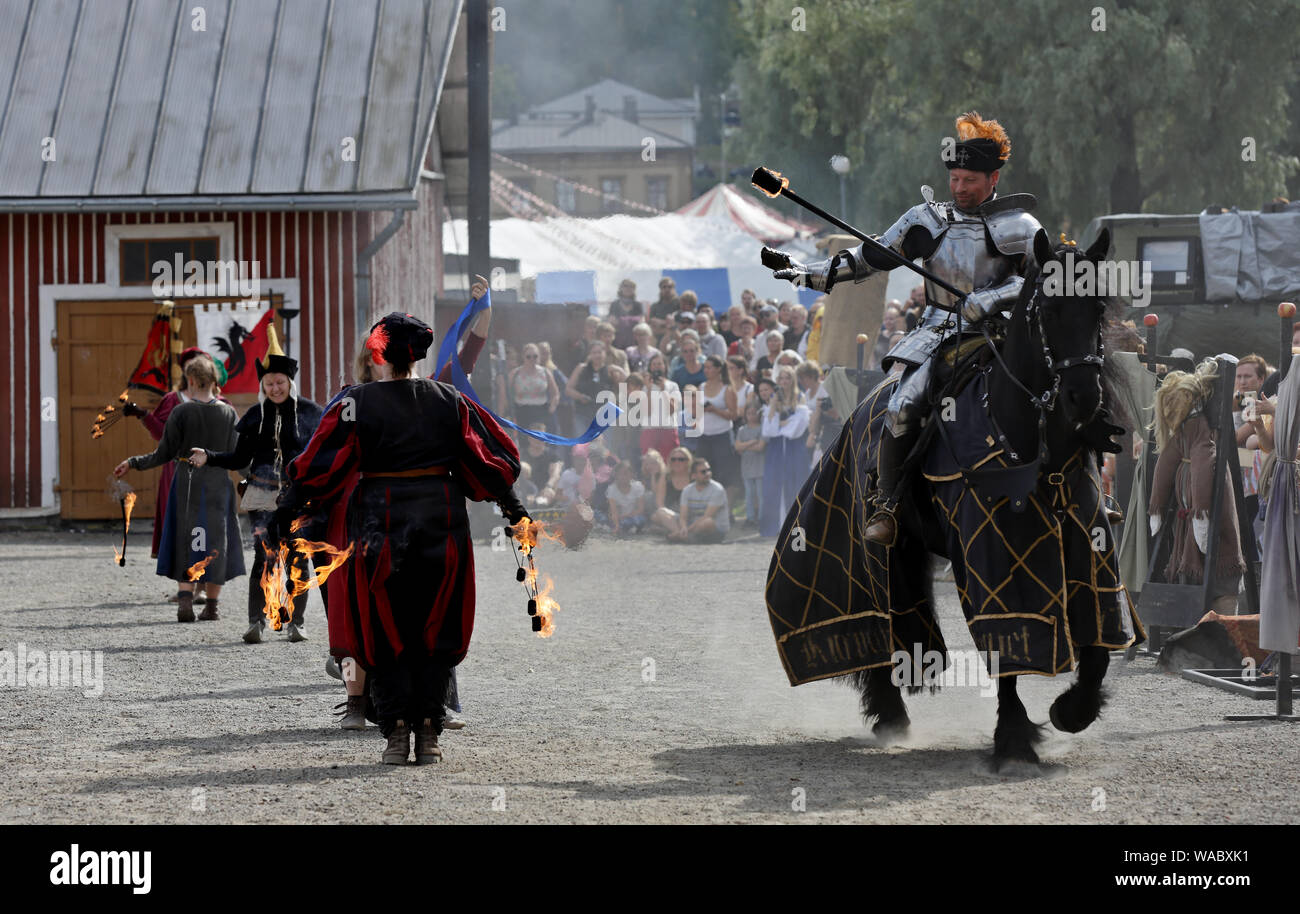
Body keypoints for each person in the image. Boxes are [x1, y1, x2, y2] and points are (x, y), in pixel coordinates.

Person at [765, 110, 1053, 545]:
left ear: (993, 179)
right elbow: (867, 259)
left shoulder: (1021, 227)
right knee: (902, 406)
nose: (959, 188)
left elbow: (1047, 279)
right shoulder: (926, 220)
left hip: (1005, 333)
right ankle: (888, 501)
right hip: (940, 334)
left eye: (970, 180)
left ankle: (1078, 490)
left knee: (1060, 390)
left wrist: (993, 297)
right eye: (954, 178)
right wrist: (802, 271)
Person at [274, 311, 524, 765]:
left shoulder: (356, 402)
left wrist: (288, 507)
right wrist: (513, 507)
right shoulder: (447, 398)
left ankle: (397, 732)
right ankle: (428, 733)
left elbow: (321, 463)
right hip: (440, 518)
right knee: (434, 622)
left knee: (383, 622)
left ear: (379, 352)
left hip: (378, 522)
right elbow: (487, 457)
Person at [190, 328, 325, 643]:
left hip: (298, 494)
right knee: (265, 555)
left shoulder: (311, 413)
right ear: (262, 385)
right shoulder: (255, 415)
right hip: (262, 492)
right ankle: (256, 622)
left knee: (296, 556)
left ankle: (296, 622)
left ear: (289, 382)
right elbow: (238, 458)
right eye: (269, 383)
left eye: (280, 382)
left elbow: (321, 456)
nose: (275, 388)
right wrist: (208, 456)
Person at [114, 355, 246, 622]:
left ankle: (185, 602)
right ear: (213, 380)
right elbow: (239, 457)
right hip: (219, 485)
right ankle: (211, 606)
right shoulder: (229, 412)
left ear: (192, 380)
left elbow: (163, 453)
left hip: (187, 482)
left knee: (188, 539)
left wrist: (133, 463)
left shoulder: (181, 412)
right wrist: (262, 478)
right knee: (215, 541)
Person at [759, 370, 810, 537]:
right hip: (776, 449)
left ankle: (794, 527)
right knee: (774, 484)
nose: (784, 380)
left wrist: (780, 424)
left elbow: (795, 430)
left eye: (787, 377)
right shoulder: (774, 399)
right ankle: (774, 526)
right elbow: (769, 430)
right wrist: (775, 407)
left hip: (794, 448)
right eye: (781, 377)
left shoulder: (800, 397)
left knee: (794, 482)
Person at [695, 355, 738, 490]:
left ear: (718, 369)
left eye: (709, 368)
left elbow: (734, 415)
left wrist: (714, 410)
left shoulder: (727, 389)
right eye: (705, 368)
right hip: (704, 435)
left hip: (722, 436)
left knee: (724, 472)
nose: (706, 370)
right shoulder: (701, 387)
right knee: (704, 468)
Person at [668, 457, 730, 543]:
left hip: (715, 529)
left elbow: (707, 516)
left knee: (707, 522)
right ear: (694, 476)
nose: (707, 473)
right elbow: (683, 516)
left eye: (709, 470)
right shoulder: (687, 490)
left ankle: (681, 535)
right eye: (703, 472)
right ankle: (684, 535)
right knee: (662, 512)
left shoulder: (717, 489)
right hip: (693, 526)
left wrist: (687, 530)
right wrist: (683, 527)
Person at [509, 342, 560, 431]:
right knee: (524, 440)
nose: (532, 359)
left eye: (535, 356)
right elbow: (506, 393)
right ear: (523, 357)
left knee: (540, 440)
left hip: (541, 411)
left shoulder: (545, 372)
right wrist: (507, 412)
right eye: (528, 356)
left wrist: (552, 407)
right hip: (522, 412)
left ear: (539, 356)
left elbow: (555, 393)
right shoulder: (515, 373)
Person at [641, 353, 681, 459]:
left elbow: (672, 410)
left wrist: (663, 389)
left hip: (668, 430)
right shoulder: (645, 387)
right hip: (650, 430)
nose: (656, 366)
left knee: (669, 463)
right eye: (653, 364)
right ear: (650, 367)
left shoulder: (672, 385)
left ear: (665, 366)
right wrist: (649, 389)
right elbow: (646, 412)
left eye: (659, 363)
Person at [734, 400, 766, 527]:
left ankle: (762, 517)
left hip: (760, 466)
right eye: (749, 413)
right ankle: (750, 517)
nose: (751, 416)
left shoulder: (762, 428)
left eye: (754, 413)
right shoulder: (742, 430)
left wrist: (744, 446)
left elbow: (760, 447)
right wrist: (751, 442)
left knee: (760, 494)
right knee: (749, 494)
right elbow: (737, 447)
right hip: (746, 467)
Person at [605, 460, 647, 536]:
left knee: (640, 521)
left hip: (633, 516)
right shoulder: (612, 489)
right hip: (619, 518)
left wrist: (627, 516)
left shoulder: (638, 486)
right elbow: (613, 511)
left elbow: (640, 509)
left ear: (632, 474)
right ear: (616, 475)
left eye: (626, 473)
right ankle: (622, 527)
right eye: (620, 473)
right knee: (623, 524)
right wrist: (617, 525)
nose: (623, 476)